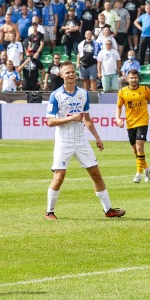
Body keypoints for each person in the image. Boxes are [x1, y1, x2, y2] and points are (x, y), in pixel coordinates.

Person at [45, 61, 125, 220]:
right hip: (64, 140)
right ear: (61, 75)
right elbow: (49, 122)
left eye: (73, 72)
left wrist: (97, 137)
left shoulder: (83, 93)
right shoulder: (56, 95)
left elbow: (87, 119)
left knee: (96, 174)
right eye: (67, 72)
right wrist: (70, 118)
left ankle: (108, 210)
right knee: (59, 176)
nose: (71, 74)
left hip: (81, 140)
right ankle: (49, 212)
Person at [116, 70, 150, 183]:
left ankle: (138, 174)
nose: (133, 80)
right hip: (130, 123)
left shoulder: (145, 90)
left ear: (138, 78)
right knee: (135, 151)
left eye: (135, 77)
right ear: (127, 79)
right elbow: (119, 106)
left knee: (140, 147)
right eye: (131, 78)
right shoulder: (122, 92)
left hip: (142, 122)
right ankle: (147, 168)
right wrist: (118, 118)